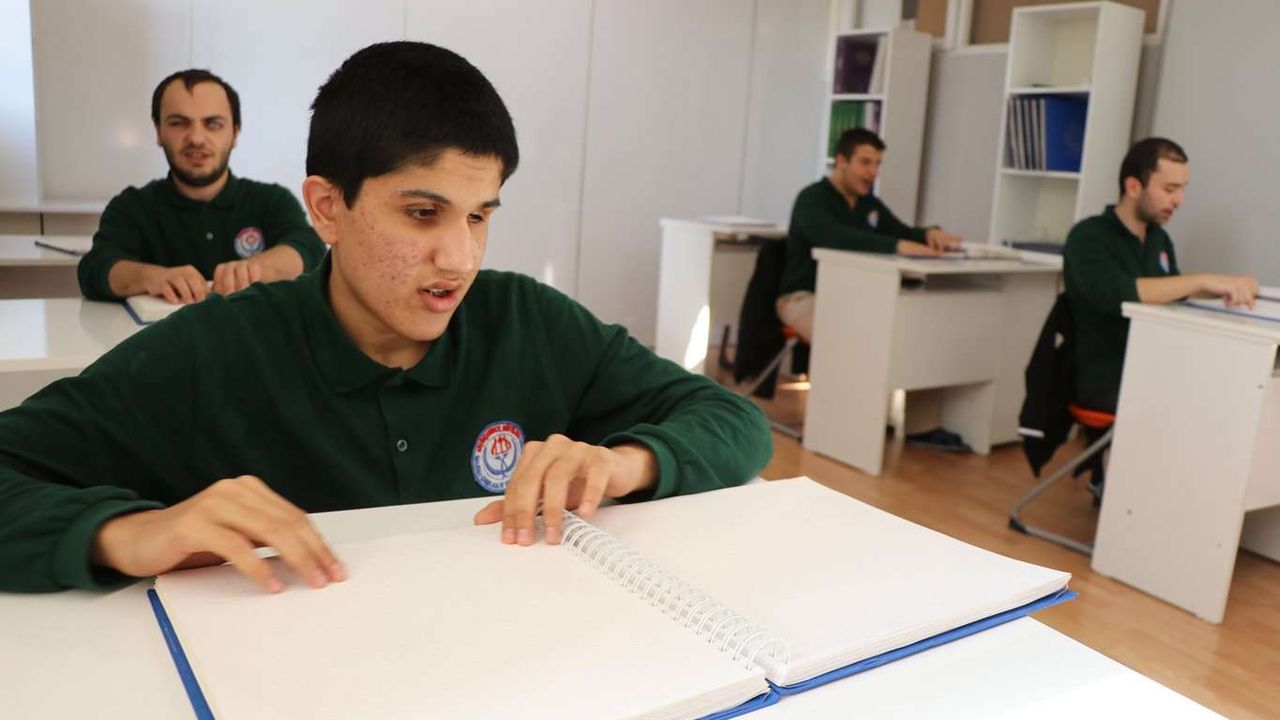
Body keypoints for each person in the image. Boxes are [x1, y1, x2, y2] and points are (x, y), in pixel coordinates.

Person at [0, 42, 771, 594]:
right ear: (327, 208)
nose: (459, 258)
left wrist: (623, 463)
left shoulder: (526, 321)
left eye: (479, 216)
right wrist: (127, 533)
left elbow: (734, 421)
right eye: (422, 213)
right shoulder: (214, 351)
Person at [775, 127, 969, 451]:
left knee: (918, 327)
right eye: (865, 163)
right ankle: (836, 426)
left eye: (877, 164)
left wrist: (929, 233)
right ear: (841, 161)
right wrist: (896, 245)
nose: (872, 172)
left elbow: (901, 231)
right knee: (850, 335)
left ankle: (921, 426)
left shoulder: (869, 204)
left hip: (858, 298)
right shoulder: (812, 199)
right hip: (803, 297)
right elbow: (833, 237)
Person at [77, 69, 327, 304]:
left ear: (235, 133)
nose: (196, 138)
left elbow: (311, 248)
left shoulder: (272, 201)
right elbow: (95, 269)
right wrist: (151, 277)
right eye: (178, 123)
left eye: (213, 124)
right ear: (158, 131)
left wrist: (255, 269)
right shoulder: (131, 207)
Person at [1064, 137, 1258, 414]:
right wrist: (1203, 279)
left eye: (1182, 189)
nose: (1178, 200)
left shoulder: (1159, 239)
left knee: (1233, 391)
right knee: (1206, 406)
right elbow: (1120, 293)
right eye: (1169, 189)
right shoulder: (1088, 236)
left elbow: (1175, 290)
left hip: (1158, 366)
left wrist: (1233, 285)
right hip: (1109, 379)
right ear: (1133, 187)